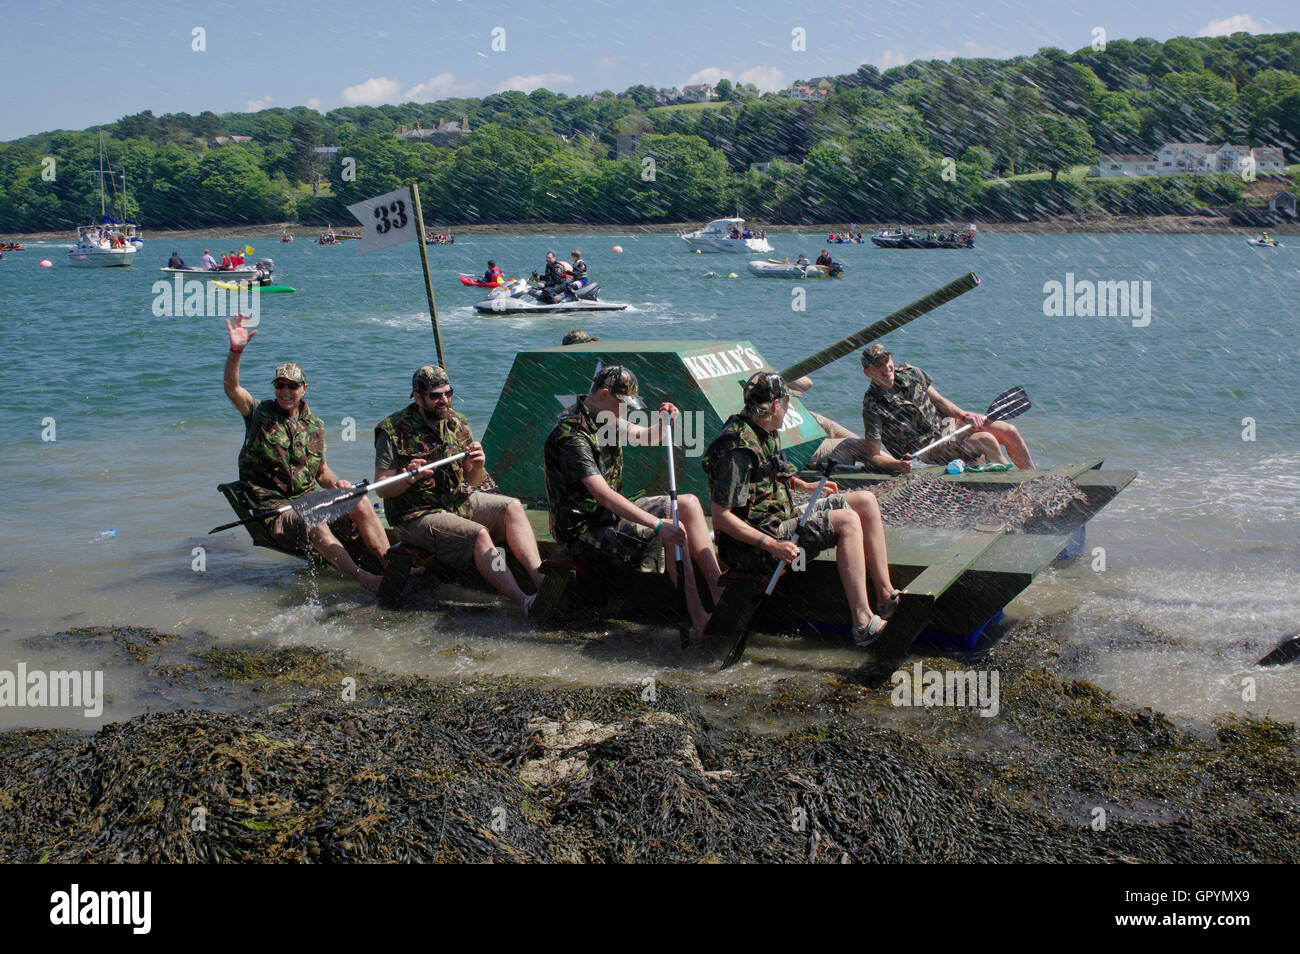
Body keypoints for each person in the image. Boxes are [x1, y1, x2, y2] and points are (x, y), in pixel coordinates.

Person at [703, 371, 901, 647]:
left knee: (864, 500)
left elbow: (767, 473)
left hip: (779, 517)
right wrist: (772, 545)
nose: (787, 409)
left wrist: (803, 486)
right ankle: (863, 623)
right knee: (846, 521)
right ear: (775, 405)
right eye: (786, 403)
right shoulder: (736, 449)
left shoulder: (762, 430)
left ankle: (885, 596)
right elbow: (721, 517)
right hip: (752, 547)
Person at [543, 365, 723, 635]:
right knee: (676, 529)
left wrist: (664, 422)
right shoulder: (571, 435)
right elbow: (603, 495)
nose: (625, 411)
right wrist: (659, 525)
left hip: (610, 517)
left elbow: (645, 436)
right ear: (604, 394)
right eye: (623, 404)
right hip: (584, 531)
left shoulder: (605, 415)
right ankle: (697, 617)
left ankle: (719, 593)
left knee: (688, 504)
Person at [222, 314, 389, 592]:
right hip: (274, 511)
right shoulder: (257, 413)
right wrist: (236, 351)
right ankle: (364, 578)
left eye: (292, 386)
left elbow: (322, 471)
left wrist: (338, 484)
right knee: (316, 520)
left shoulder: (315, 425)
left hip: (308, 500)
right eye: (280, 385)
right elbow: (232, 387)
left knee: (359, 501)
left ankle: (389, 564)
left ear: (304, 389)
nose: (285, 391)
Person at [374, 365, 545, 616]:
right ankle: (523, 601)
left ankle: (543, 582)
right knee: (479, 535)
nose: (444, 400)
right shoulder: (392, 429)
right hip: (416, 515)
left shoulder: (457, 422)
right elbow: (382, 488)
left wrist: (477, 465)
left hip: (456, 502)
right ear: (417, 397)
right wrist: (407, 477)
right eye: (435, 395)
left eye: (448, 393)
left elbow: (473, 481)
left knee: (512, 506)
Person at [859, 344, 1035, 472]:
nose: (886, 368)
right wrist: (897, 465)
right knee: (986, 440)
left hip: (947, 427)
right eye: (878, 365)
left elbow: (941, 401)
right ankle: (1010, 486)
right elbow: (874, 455)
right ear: (868, 373)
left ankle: (1032, 480)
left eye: (886, 361)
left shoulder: (911, 373)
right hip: (926, 449)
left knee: (1008, 430)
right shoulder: (873, 405)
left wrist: (965, 417)